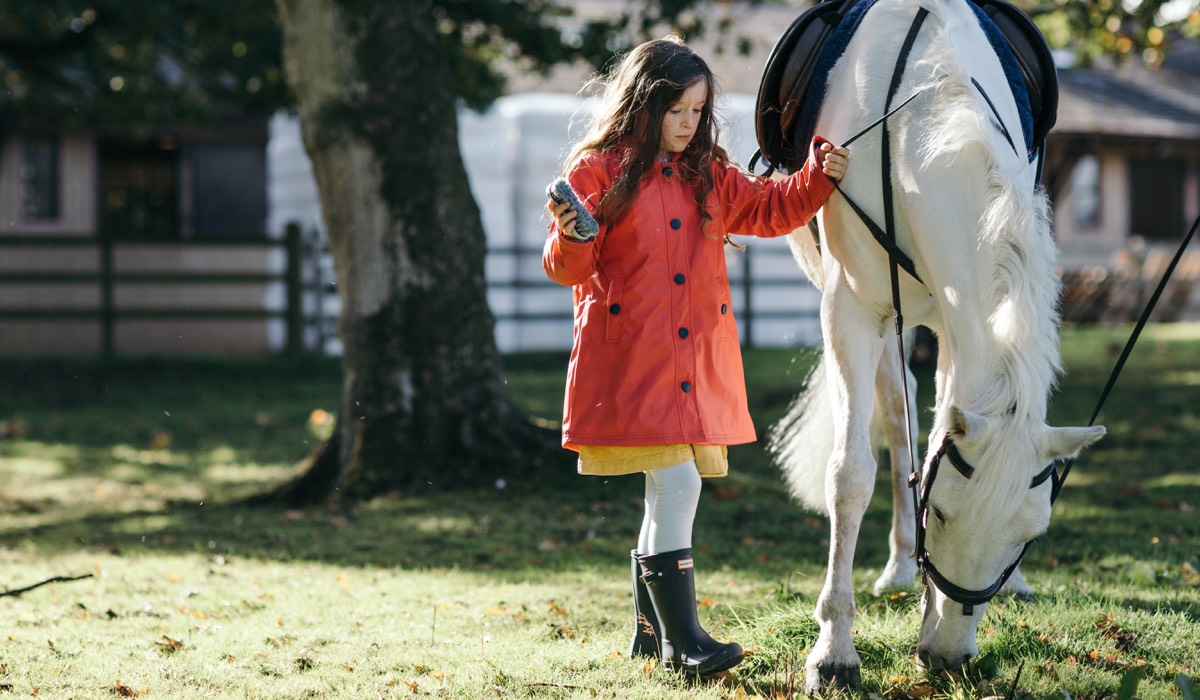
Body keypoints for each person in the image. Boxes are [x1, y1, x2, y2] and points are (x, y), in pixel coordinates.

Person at [542, 35, 848, 677]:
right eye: (676, 110)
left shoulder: (705, 169)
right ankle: (687, 645)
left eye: (697, 111)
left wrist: (818, 176)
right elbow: (568, 268)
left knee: (667, 492)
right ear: (643, 105)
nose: (687, 124)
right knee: (677, 485)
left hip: (693, 360)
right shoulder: (597, 170)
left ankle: (652, 638)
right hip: (632, 362)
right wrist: (571, 236)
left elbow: (770, 209)